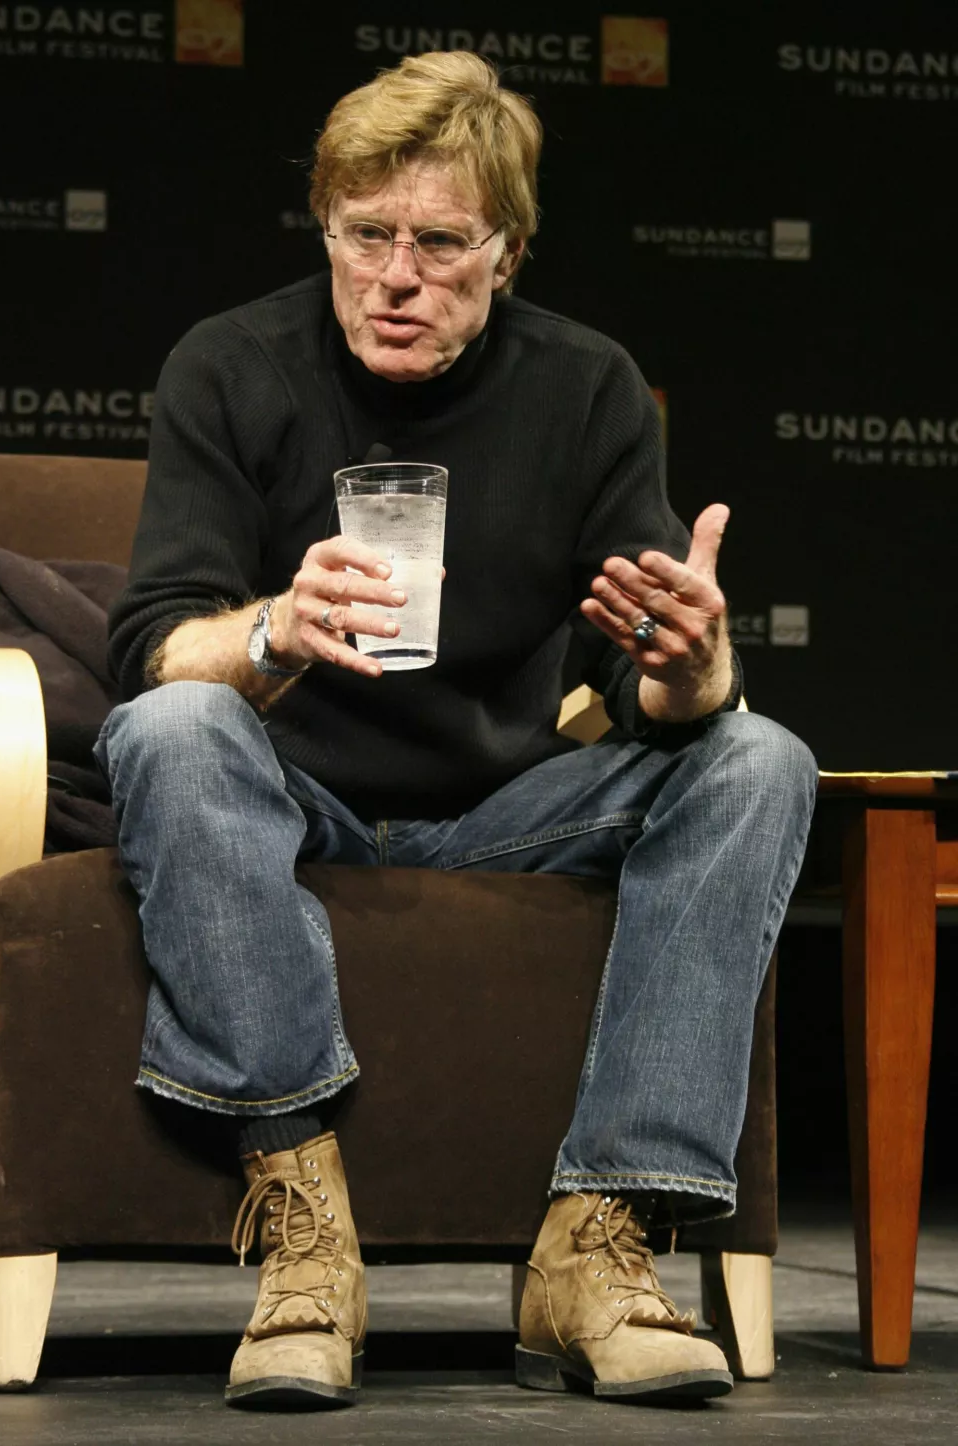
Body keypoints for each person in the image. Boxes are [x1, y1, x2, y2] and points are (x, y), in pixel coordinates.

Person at [98, 51, 816, 1412]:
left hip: (503, 802)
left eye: (440, 243)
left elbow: (650, 680)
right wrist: (268, 632)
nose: (397, 276)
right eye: (367, 237)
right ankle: (305, 1226)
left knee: (759, 751)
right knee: (173, 731)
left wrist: (695, 664)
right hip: (286, 785)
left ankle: (601, 1239)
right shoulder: (232, 366)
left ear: (507, 254)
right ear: (327, 231)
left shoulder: (586, 387)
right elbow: (155, 651)